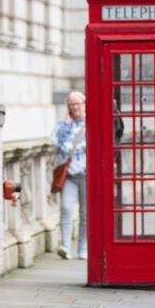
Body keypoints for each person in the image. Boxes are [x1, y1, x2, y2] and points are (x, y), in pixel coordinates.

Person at [52, 91, 87, 260]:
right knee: (66, 208)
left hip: (87, 174)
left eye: (77, 104)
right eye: (71, 104)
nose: (75, 107)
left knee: (85, 214)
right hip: (69, 175)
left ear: (84, 104)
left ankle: (83, 248)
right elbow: (55, 141)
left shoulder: (90, 123)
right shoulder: (64, 125)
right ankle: (65, 246)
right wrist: (66, 125)